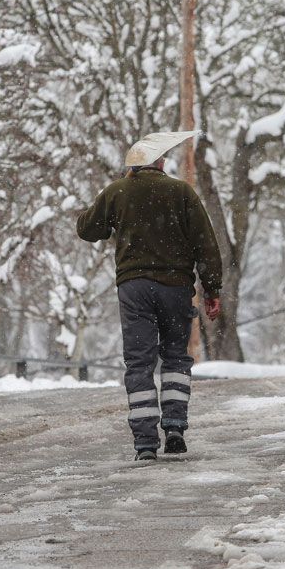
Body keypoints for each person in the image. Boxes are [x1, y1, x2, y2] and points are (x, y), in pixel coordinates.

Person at [77, 131, 223, 461]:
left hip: (134, 288)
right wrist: (212, 289)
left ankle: (145, 443)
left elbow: (88, 229)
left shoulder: (117, 192)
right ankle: (174, 426)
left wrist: (111, 202)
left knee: (139, 362)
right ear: (159, 162)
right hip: (175, 287)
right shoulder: (182, 192)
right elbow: (206, 244)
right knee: (175, 357)